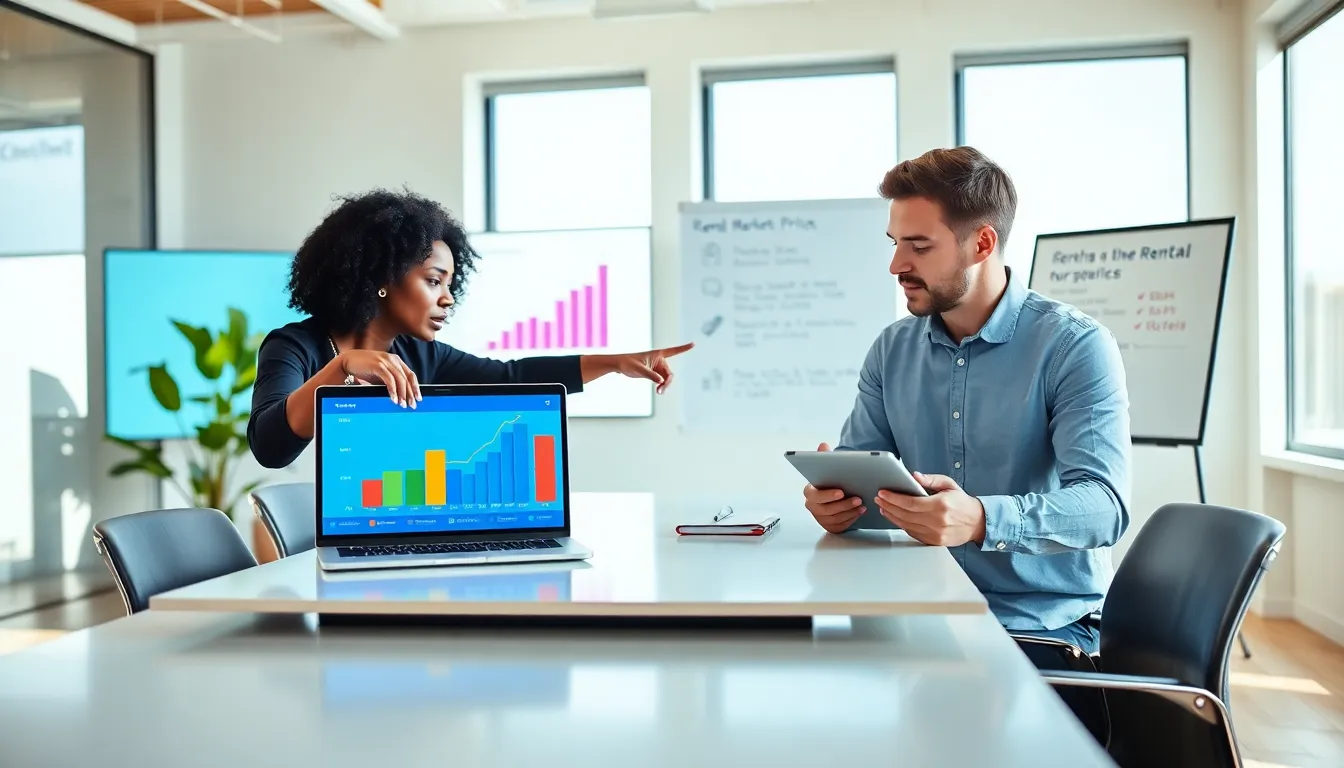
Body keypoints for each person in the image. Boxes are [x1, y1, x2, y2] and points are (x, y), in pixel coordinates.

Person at [801, 147, 1131, 657]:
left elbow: (1104, 508)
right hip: (919, 612)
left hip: (1039, 627)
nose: (896, 265)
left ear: (982, 243)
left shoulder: (1074, 346)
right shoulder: (892, 350)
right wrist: (838, 504)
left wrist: (980, 518)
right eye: (895, 243)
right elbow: (863, 476)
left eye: (919, 246)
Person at [248, 188, 692, 470]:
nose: (448, 298)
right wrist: (343, 367)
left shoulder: (420, 356)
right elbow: (270, 446)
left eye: (449, 285)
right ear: (382, 278)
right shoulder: (296, 346)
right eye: (433, 281)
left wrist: (614, 363)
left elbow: (513, 377)